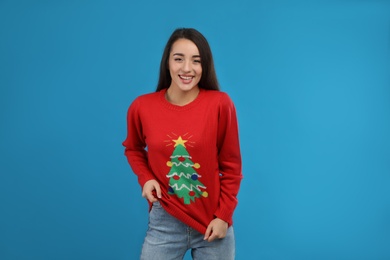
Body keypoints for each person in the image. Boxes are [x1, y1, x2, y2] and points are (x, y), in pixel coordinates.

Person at [122, 28, 243, 260]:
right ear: (167, 62)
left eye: (196, 61)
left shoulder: (220, 104)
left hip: (213, 221)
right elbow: (133, 148)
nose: (187, 68)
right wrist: (146, 178)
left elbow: (232, 167)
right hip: (165, 219)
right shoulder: (142, 107)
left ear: (204, 66)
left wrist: (223, 217)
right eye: (179, 59)